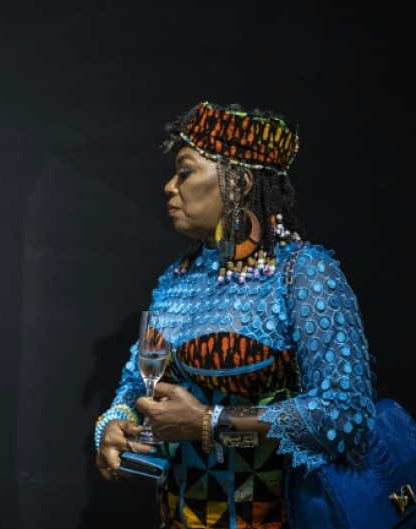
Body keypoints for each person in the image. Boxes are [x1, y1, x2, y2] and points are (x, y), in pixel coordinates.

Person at [94, 101, 376, 529]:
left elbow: (346, 412)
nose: (170, 186)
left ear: (239, 182)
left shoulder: (301, 274)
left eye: (186, 171)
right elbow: (138, 380)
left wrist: (212, 424)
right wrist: (117, 421)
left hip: (276, 516)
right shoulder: (177, 279)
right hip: (179, 515)